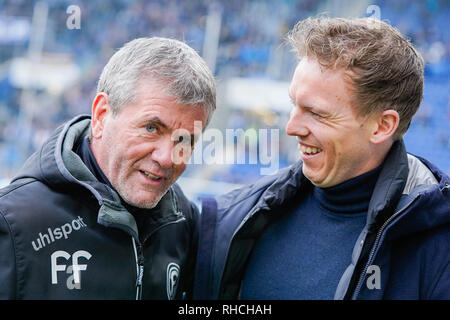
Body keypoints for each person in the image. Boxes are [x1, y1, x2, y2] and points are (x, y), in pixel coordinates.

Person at [193, 17, 450, 300]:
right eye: (294, 104)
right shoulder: (240, 219)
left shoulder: (439, 246)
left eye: (316, 113)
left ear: (382, 126)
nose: (291, 128)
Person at [0, 37, 216, 299]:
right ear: (102, 115)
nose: (167, 158)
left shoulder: (182, 220)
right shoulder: (13, 225)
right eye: (151, 128)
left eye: (184, 139)